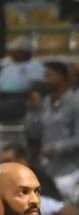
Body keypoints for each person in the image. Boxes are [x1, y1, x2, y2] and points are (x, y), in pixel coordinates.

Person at [26, 61, 79, 197]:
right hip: (47, 171)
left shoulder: (75, 102)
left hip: (70, 172)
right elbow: (34, 133)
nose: (45, 80)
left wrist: (56, 148)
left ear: (61, 77)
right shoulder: (45, 103)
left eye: (49, 76)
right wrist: (34, 110)